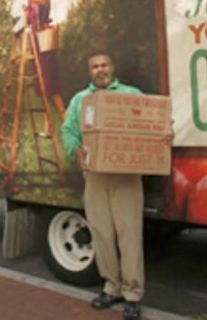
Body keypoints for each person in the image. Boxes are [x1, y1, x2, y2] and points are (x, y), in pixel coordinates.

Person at [61, 52, 146, 320]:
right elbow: (68, 131)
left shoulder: (132, 94)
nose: (100, 70)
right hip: (95, 176)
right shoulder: (80, 101)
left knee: (129, 235)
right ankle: (111, 288)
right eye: (95, 66)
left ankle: (132, 294)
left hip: (126, 177)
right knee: (102, 234)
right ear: (90, 72)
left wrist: (161, 137)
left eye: (104, 65)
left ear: (113, 67)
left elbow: (152, 124)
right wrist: (75, 150)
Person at [11, 0, 66, 124]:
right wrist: (25, 12)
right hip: (34, 42)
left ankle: (63, 113)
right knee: (40, 81)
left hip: (43, 41)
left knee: (48, 79)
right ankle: (47, 119)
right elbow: (28, 20)